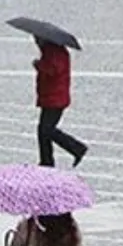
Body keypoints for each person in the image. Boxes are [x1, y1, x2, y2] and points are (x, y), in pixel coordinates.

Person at [32, 37, 87, 168]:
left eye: (36, 39)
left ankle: (77, 148)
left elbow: (53, 70)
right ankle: (46, 161)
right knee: (43, 130)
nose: (35, 41)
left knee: (47, 129)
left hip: (55, 99)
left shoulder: (54, 52)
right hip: (51, 98)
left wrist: (38, 65)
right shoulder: (50, 51)